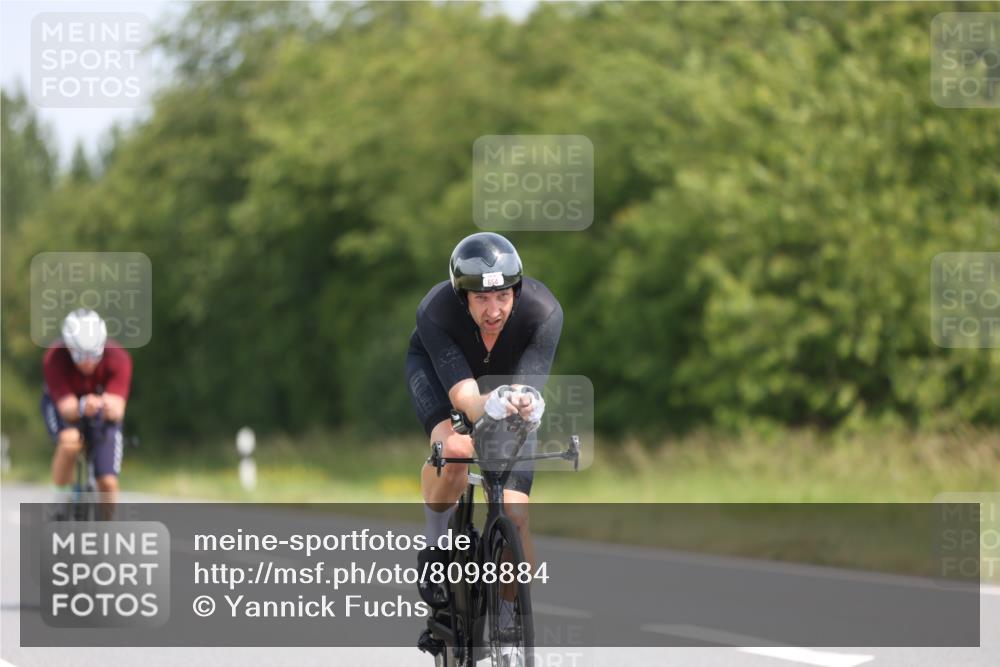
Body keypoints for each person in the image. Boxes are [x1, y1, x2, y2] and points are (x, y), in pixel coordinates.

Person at [405, 232, 563, 619]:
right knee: (456, 450)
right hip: (443, 377)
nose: (494, 311)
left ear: (517, 291)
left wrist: (528, 402)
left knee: (515, 514)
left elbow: (528, 387)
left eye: (503, 296)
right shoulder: (437, 310)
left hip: (502, 385)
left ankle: (509, 621)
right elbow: (466, 398)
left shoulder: (543, 311)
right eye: (481, 298)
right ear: (463, 297)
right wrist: (485, 405)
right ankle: (436, 543)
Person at [41, 309, 133, 517]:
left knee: (107, 482)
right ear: (69, 347)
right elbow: (67, 409)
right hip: (65, 407)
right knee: (70, 441)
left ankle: (108, 527)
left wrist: (107, 406)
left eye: (94, 354)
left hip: (101, 414)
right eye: (81, 356)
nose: (88, 362)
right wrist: (83, 406)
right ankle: (60, 502)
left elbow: (118, 410)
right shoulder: (54, 358)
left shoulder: (118, 358)